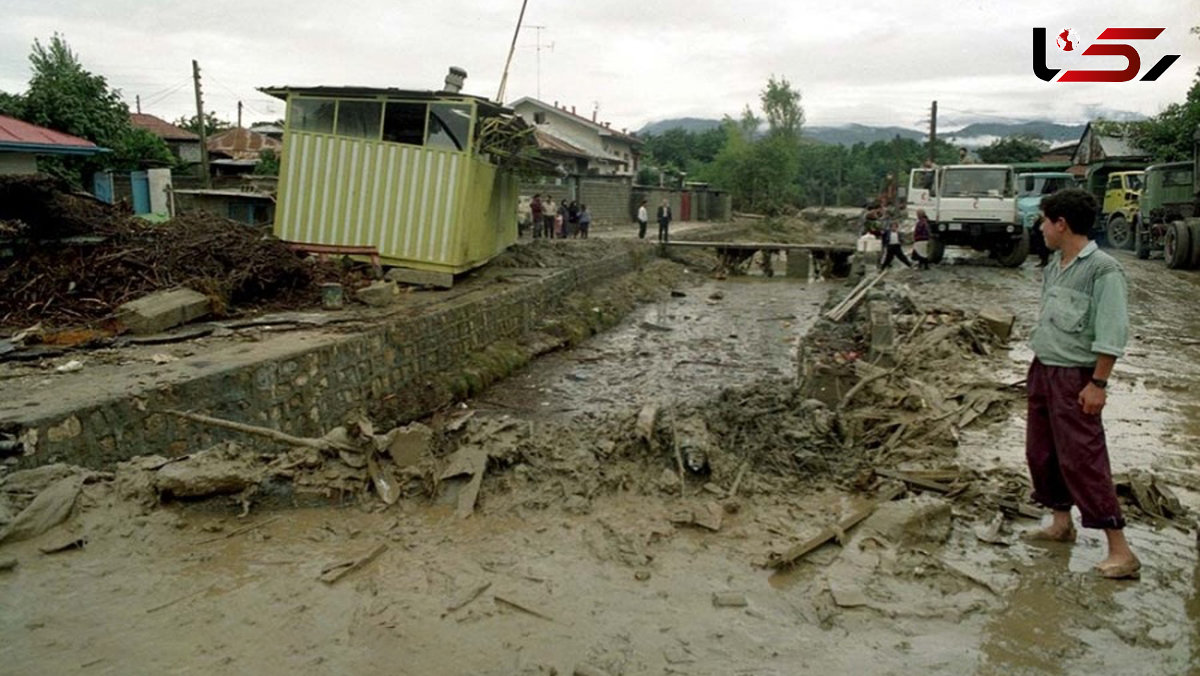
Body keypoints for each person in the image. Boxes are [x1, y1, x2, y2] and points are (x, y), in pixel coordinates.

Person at [1023, 188, 1137, 579]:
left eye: (1044, 221)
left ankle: (1120, 550)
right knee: (1042, 454)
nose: (1040, 228)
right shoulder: (1056, 264)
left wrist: (1098, 384)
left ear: (1061, 224)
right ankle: (1060, 523)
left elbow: (1112, 331)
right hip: (1044, 369)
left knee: (1083, 460)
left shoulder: (1103, 270)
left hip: (1076, 377)